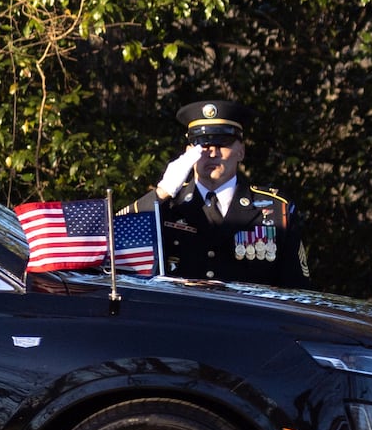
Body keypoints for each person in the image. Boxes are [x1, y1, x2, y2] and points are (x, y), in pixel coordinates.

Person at [126, 98, 310, 288]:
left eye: (223, 143)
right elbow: (115, 246)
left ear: (241, 151)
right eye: (202, 144)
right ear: (189, 151)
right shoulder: (169, 205)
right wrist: (162, 192)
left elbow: (297, 289)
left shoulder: (276, 209)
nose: (212, 153)